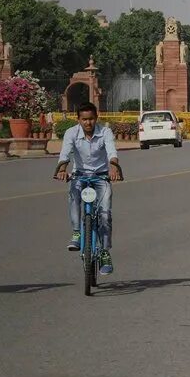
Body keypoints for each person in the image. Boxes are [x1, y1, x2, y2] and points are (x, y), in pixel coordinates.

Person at [56, 102, 123, 273]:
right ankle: (77, 233)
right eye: (84, 119)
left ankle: (105, 252)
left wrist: (114, 167)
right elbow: (65, 152)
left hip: (101, 176)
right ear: (78, 119)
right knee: (73, 196)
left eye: (91, 119)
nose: (88, 123)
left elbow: (111, 151)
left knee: (105, 214)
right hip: (80, 175)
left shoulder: (105, 132)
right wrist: (62, 169)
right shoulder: (71, 133)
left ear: (96, 118)